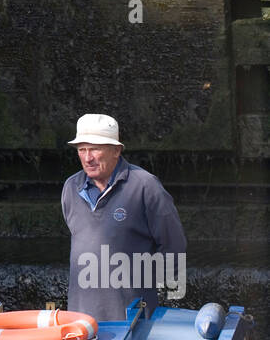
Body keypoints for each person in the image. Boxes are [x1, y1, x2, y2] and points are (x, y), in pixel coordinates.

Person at [61, 114, 187, 321]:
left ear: (116, 151)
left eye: (94, 149)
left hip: (134, 317)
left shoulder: (146, 186)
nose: (87, 158)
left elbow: (174, 245)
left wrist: (145, 289)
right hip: (81, 318)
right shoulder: (70, 188)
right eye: (81, 150)